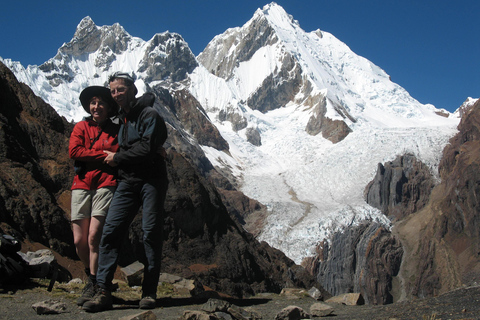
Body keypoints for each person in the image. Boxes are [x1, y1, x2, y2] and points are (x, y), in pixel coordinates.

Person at [83, 72, 169, 312]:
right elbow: (101, 128)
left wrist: (118, 157)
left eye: (120, 89)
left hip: (152, 179)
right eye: (113, 91)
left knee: (151, 232)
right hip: (128, 181)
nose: (116, 94)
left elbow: (147, 147)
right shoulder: (122, 120)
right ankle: (102, 291)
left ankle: (149, 292)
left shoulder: (149, 115)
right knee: (110, 231)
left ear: (133, 89)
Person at [69, 86, 120, 306]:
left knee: (93, 236)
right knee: (79, 240)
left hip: (106, 184)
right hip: (81, 184)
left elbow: (118, 155)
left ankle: (96, 283)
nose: (96, 106)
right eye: (93, 103)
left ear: (109, 107)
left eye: (100, 103)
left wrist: (102, 157)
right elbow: (74, 151)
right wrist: (103, 155)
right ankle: (92, 276)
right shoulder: (81, 126)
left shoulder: (117, 130)